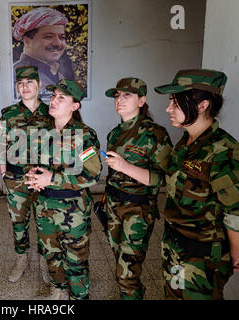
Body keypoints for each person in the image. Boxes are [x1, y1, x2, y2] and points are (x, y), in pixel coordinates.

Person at [154, 69, 239, 300]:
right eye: (170, 102)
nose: (168, 109)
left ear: (201, 106)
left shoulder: (224, 153)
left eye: (176, 103)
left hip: (202, 260)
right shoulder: (187, 143)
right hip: (175, 249)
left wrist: (229, 256)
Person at [25, 79, 102, 300]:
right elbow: (40, 166)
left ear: (74, 106)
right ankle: (58, 292)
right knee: (51, 255)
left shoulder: (84, 135)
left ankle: (78, 296)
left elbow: (93, 174)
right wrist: (35, 176)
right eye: (53, 96)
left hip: (73, 210)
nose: (53, 101)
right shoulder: (43, 133)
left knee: (75, 261)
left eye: (61, 98)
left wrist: (54, 179)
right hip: (44, 207)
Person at [102, 78, 173, 300]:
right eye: (117, 96)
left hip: (138, 209)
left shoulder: (155, 134)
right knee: (120, 261)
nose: (119, 100)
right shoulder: (114, 133)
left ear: (142, 100)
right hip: (113, 205)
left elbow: (166, 179)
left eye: (127, 95)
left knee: (127, 271)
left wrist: (126, 166)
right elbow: (114, 174)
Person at [0, 65, 51, 284]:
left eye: (29, 82)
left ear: (39, 85)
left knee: (44, 222)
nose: (24, 87)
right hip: (16, 178)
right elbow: (1, 145)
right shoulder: (8, 114)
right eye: (20, 83)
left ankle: (44, 261)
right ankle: (22, 259)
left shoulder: (51, 112)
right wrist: (3, 175)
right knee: (18, 222)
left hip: (42, 179)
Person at [13, 7, 76, 99]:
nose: (57, 43)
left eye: (62, 37)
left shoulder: (59, 75)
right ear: (27, 41)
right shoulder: (16, 74)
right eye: (48, 37)